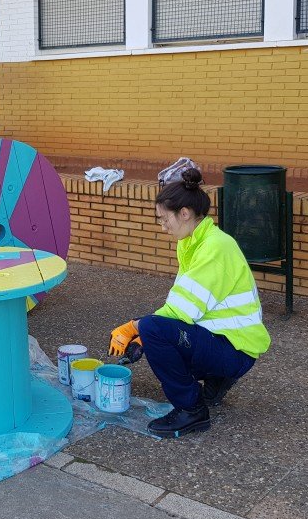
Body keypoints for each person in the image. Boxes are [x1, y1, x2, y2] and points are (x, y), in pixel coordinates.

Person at [108, 168, 270, 438]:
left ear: (184, 213)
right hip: (229, 341)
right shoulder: (194, 242)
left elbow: (180, 311)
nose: (162, 226)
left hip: (236, 349)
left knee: (154, 330)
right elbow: (182, 303)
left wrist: (135, 327)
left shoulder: (214, 247)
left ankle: (191, 410)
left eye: (163, 219)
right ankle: (217, 380)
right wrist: (143, 333)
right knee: (154, 330)